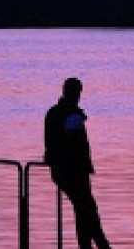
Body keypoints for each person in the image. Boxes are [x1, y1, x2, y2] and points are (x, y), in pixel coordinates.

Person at [45, 77, 112, 249]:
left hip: (59, 170)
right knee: (89, 212)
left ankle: (87, 246)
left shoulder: (52, 113)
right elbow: (75, 146)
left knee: (82, 211)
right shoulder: (73, 117)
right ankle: (102, 246)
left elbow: (52, 143)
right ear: (77, 93)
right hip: (74, 172)